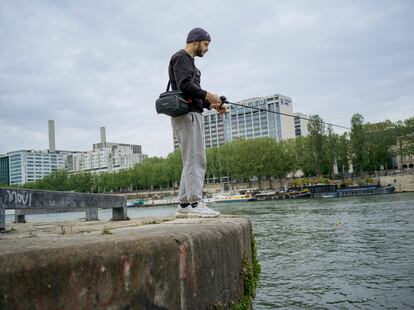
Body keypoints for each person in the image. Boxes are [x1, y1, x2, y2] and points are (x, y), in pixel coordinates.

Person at [169, 27, 226, 218]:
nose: (207, 48)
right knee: (195, 158)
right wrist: (209, 94)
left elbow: (193, 93)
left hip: (192, 113)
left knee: (190, 159)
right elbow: (185, 85)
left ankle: (185, 204)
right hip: (187, 116)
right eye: (206, 44)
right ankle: (195, 203)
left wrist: (212, 105)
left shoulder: (191, 64)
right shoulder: (181, 57)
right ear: (196, 41)